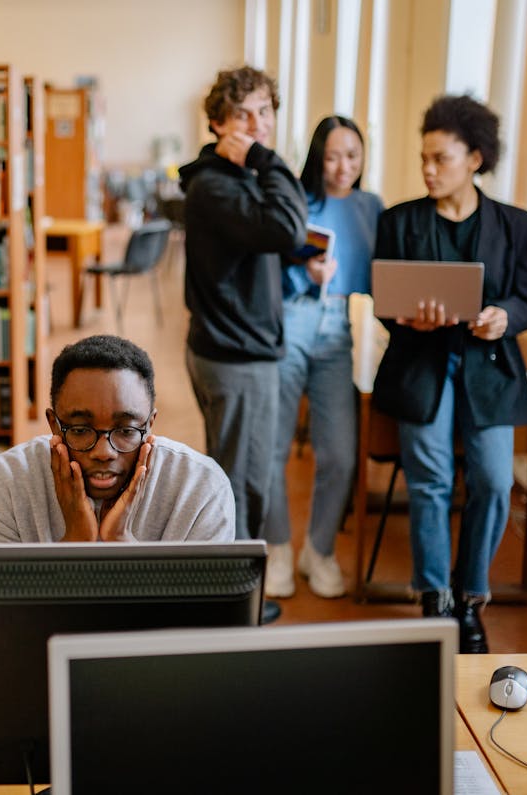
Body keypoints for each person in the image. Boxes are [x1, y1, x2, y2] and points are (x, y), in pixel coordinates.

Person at [372, 95, 527, 653]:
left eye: (440, 158)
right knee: (430, 481)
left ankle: (471, 599)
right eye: (423, 158)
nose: (428, 169)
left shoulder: (516, 225)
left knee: (493, 480)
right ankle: (435, 600)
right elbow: (383, 303)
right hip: (421, 366)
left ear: (474, 158)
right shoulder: (399, 221)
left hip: (488, 369)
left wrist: (503, 317)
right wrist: (408, 319)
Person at [179, 64, 308, 544]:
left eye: (265, 111)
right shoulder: (217, 184)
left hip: (235, 347)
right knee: (242, 485)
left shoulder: (232, 178)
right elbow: (288, 227)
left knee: (240, 476)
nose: (258, 124)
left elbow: (264, 240)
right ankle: (236, 587)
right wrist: (265, 158)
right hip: (236, 356)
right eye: (243, 114)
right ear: (217, 123)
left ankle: (234, 582)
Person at [264, 116, 384, 600]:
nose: (343, 167)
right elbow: (266, 264)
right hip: (290, 317)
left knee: (339, 453)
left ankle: (319, 550)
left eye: (352, 156)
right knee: (272, 447)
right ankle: (277, 548)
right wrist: (303, 271)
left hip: (338, 326)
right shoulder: (294, 198)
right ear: (318, 157)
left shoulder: (370, 207)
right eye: (332, 156)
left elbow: (381, 272)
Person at [0, 335, 235, 544]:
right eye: (80, 430)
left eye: (126, 431)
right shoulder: (5, 482)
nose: (104, 452)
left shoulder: (202, 487)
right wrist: (75, 541)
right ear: (54, 426)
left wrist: (121, 542)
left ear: (150, 425)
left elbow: (205, 602)